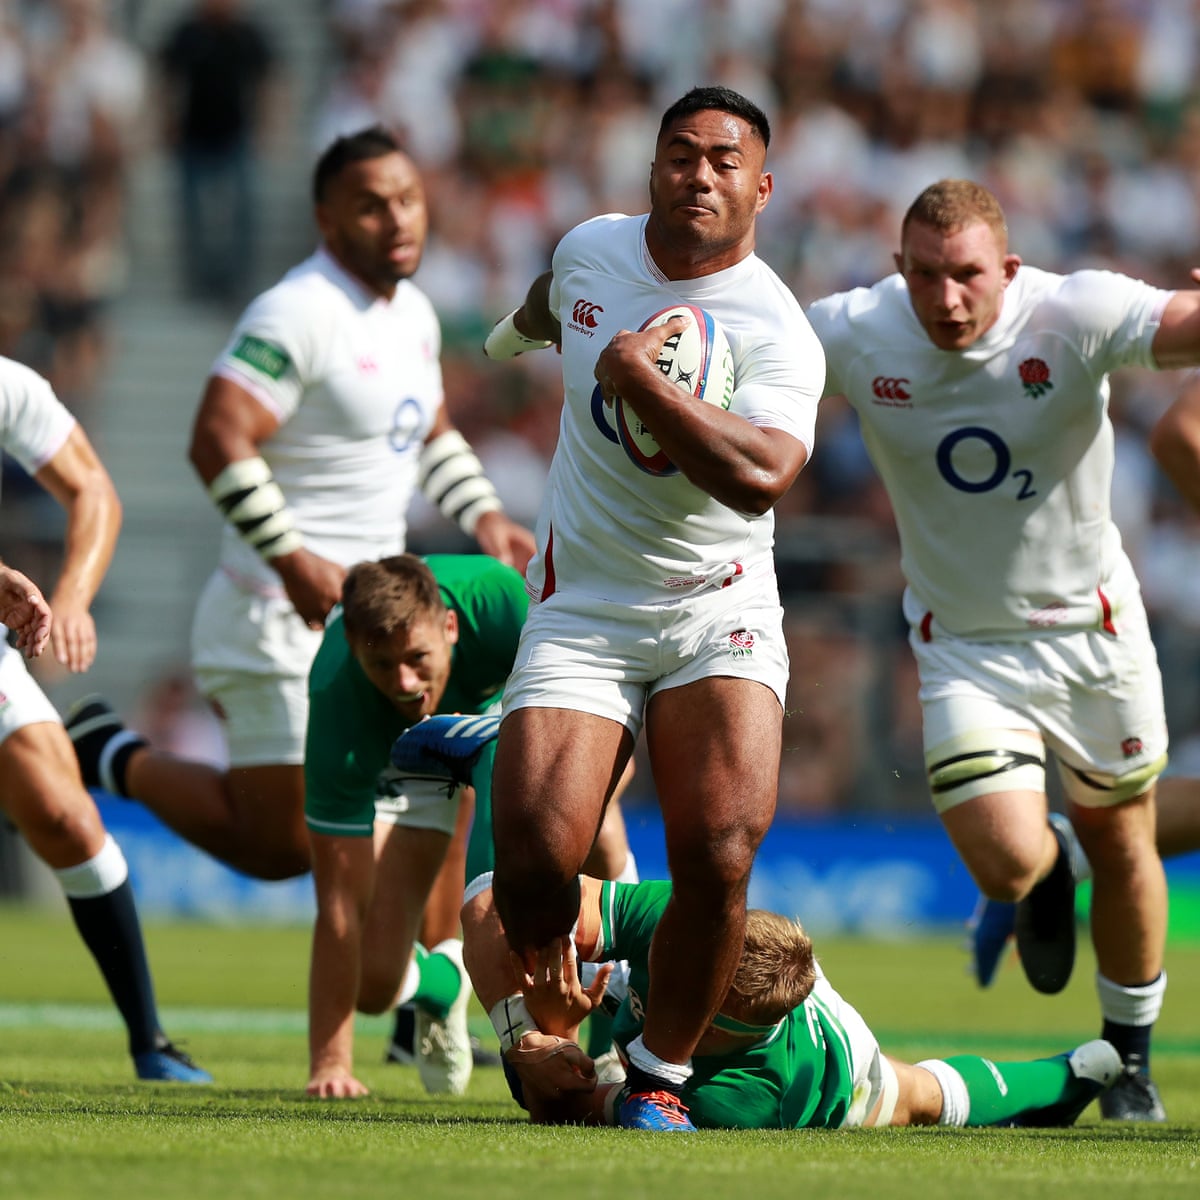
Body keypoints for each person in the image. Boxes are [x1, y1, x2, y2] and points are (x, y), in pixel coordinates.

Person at [802, 177, 1200, 1122]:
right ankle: (1046, 867)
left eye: (968, 276)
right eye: (927, 276)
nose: (947, 298)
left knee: (1127, 836)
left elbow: (1180, 321)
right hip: (964, 642)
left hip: (1094, 632)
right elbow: (736, 345)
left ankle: (1130, 1059)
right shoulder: (853, 330)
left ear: (1009, 268)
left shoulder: (1073, 311)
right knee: (1007, 864)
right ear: (899, 268)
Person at [480, 85, 824, 1131]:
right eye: (682, 154)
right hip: (585, 605)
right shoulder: (593, 249)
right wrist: (508, 340)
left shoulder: (778, 329)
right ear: (653, 167)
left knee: (719, 851)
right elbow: (553, 300)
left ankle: (659, 1076)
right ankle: (547, 1024)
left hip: (716, 608)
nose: (701, 175)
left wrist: (643, 380)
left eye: (725, 161)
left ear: (761, 187)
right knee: (536, 869)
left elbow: (762, 477)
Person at [66, 125, 535, 886]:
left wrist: (481, 513)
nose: (398, 220)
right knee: (287, 846)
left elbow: (427, 431)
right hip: (276, 613)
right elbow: (217, 438)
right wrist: (290, 559)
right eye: (372, 206)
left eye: (408, 200)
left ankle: (427, 996)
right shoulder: (297, 311)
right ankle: (107, 754)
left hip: (371, 616)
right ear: (327, 219)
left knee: (410, 817)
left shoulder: (411, 312)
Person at [302, 553, 635, 1099]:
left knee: (599, 827)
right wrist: (330, 1063)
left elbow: (605, 708)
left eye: (417, 657)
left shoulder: (502, 603)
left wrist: (584, 799)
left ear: (451, 627)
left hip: (507, 719)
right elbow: (338, 900)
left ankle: (613, 1038)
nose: (405, 682)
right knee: (372, 982)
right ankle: (444, 983)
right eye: (381, 665)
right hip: (399, 753)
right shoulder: (337, 696)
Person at [460, 873, 1123, 1131]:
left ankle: (1065, 1078)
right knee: (601, 987)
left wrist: (552, 1036)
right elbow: (492, 893)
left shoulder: (746, 1095)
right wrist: (518, 1029)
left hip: (835, 1069)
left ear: (720, 1028)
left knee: (915, 1094)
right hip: (760, 990)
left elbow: (563, 1108)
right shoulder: (685, 921)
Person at [0, 354, 210, 1083]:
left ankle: (148, 1041)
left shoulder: (8, 386)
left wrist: (74, 598)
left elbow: (93, 490)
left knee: (69, 822)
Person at [157, 0, 278, 305]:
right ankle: (200, 280)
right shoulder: (187, 33)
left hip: (236, 135)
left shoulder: (247, 33)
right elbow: (167, 78)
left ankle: (237, 279)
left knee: (243, 213)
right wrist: (166, 120)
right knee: (194, 214)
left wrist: (268, 125)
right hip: (193, 137)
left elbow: (268, 80)